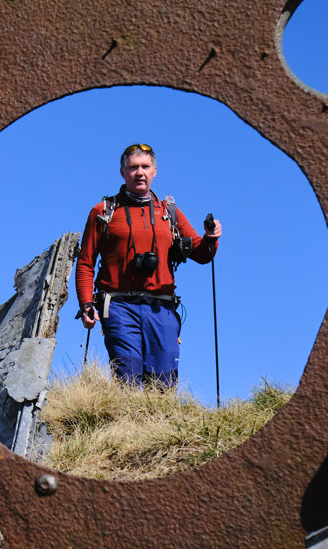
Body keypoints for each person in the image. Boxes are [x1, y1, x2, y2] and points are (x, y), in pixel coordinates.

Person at [76, 143, 222, 387]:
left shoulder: (169, 211)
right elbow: (85, 262)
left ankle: (156, 426)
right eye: (133, 168)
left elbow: (202, 254)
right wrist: (86, 304)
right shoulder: (103, 212)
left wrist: (211, 238)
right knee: (127, 376)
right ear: (122, 172)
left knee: (163, 384)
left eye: (145, 167)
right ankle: (127, 425)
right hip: (118, 305)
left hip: (161, 307)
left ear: (155, 171)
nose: (139, 173)